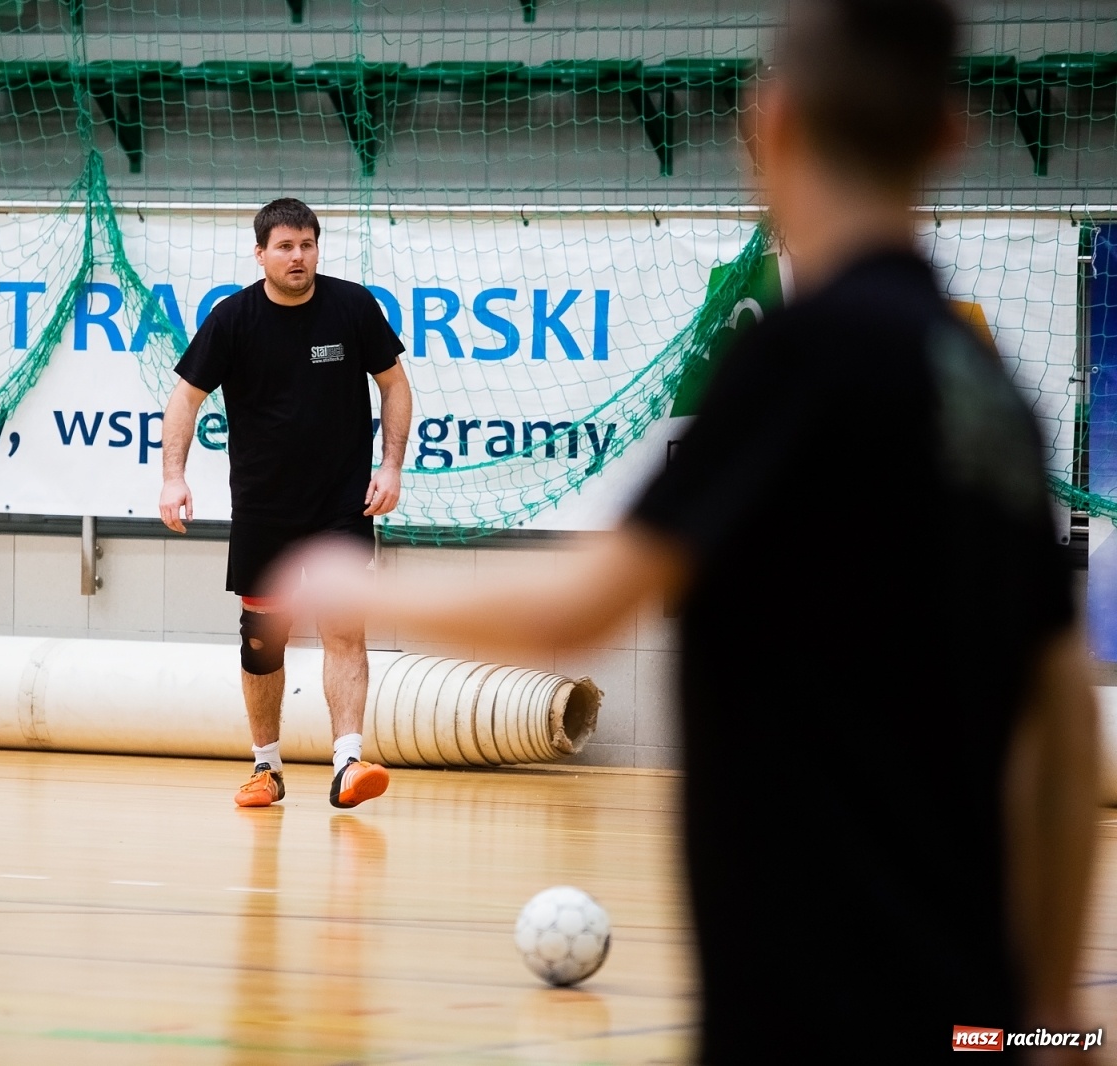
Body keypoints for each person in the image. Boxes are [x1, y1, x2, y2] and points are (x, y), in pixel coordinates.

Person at [278, 2, 1099, 1061]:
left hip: (815, 990)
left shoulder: (802, 356)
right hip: (967, 1002)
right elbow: (1062, 715)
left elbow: (584, 603)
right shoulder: (985, 383)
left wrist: (359, 587)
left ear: (772, 124)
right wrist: (1045, 1014)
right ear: (951, 135)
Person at [159, 198, 414, 810]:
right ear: (261, 254)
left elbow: (395, 386)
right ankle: (266, 769)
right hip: (264, 507)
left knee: (344, 630)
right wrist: (173, 477)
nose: (297, 256)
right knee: (262, 641)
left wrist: (391, 466)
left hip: (340, 505)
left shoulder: (352, 306)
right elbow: (184, 400)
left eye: (307, 245)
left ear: (317, 249)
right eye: (285, 247)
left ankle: (348, 763)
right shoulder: (233, 319)